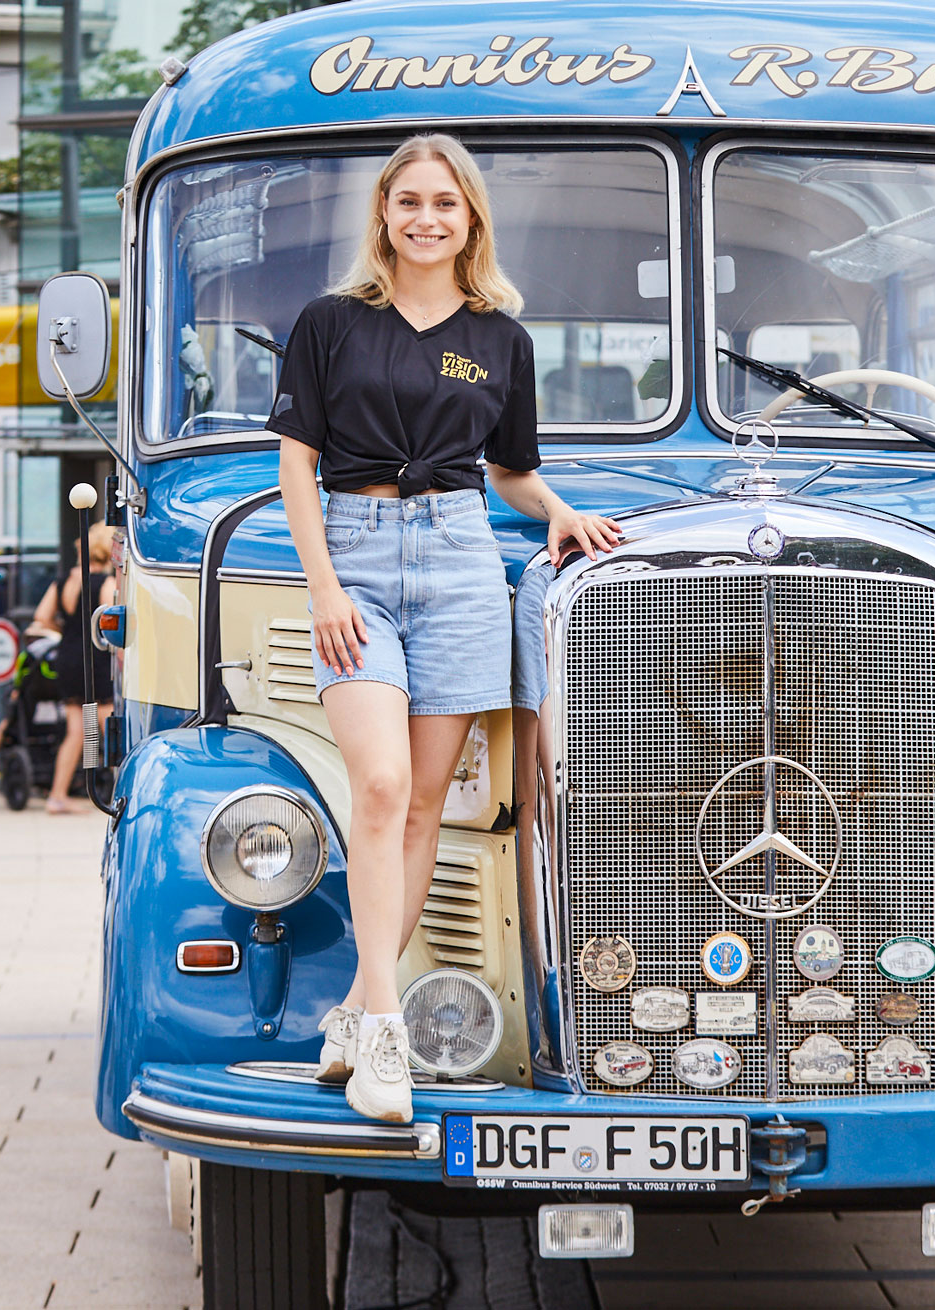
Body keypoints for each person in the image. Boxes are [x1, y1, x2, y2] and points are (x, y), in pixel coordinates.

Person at [269, 134, 619, 1123]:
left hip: (464, 560)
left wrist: (553, 509)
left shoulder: (500, 334)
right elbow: (296, 461)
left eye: (445, 204)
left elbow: (505, 467)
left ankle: (349, 1010)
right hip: (358, 558)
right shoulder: (329, 322)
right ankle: (385, 1029)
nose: (426, 218)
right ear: (384, 212)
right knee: (377, 786)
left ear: (470, 219)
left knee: (424, 806)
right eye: (409, 200)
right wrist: (325, 585)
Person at [32, 522, 120, 815]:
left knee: (78, 729)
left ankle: (58, 795)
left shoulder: (64, 581)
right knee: (111, 723)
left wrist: (67, 631)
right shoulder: (105, 583)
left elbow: (42, 617)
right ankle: (121, 789)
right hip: (94, 658)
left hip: (68, 655)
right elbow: (112, 626)